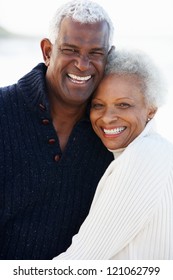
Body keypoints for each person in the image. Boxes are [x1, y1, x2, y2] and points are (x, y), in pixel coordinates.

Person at [0, 0, 114, 259]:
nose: (83, 64)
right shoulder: (3, 110)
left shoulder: (112, 132)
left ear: (109, 56)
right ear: (48, 51)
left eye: (96, 53)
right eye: (70, 49)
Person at [54, 49, 173, 260]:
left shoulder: (142, 158)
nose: (107, 118)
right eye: (98, 105)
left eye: (124, 105)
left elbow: (79, 263)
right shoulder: (161, 151)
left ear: (151, 109)